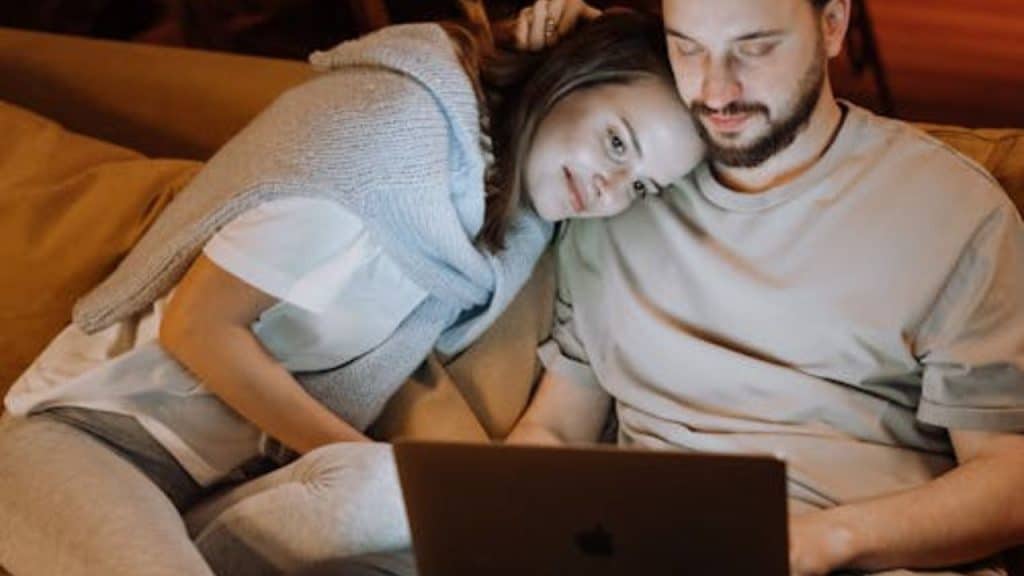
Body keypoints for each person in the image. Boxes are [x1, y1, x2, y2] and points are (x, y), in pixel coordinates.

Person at [0, 8, 704, 576]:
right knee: (395, 483)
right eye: (617, 143)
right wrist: (353, 456)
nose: (614, 189)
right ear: (571, 80)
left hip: (207, 497)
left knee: (412, 508)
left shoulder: (495, 223)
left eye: (643, 187)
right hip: (85, 442)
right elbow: (198, 327)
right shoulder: (384, 133)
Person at [506, 1, 1024, 576]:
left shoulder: (954, 213)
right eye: (688, 47)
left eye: (754, 47)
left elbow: (1010, 480)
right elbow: (554, 427)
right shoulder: (616, 194)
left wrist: (823, 542)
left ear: (832, 24)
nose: (717, 90)